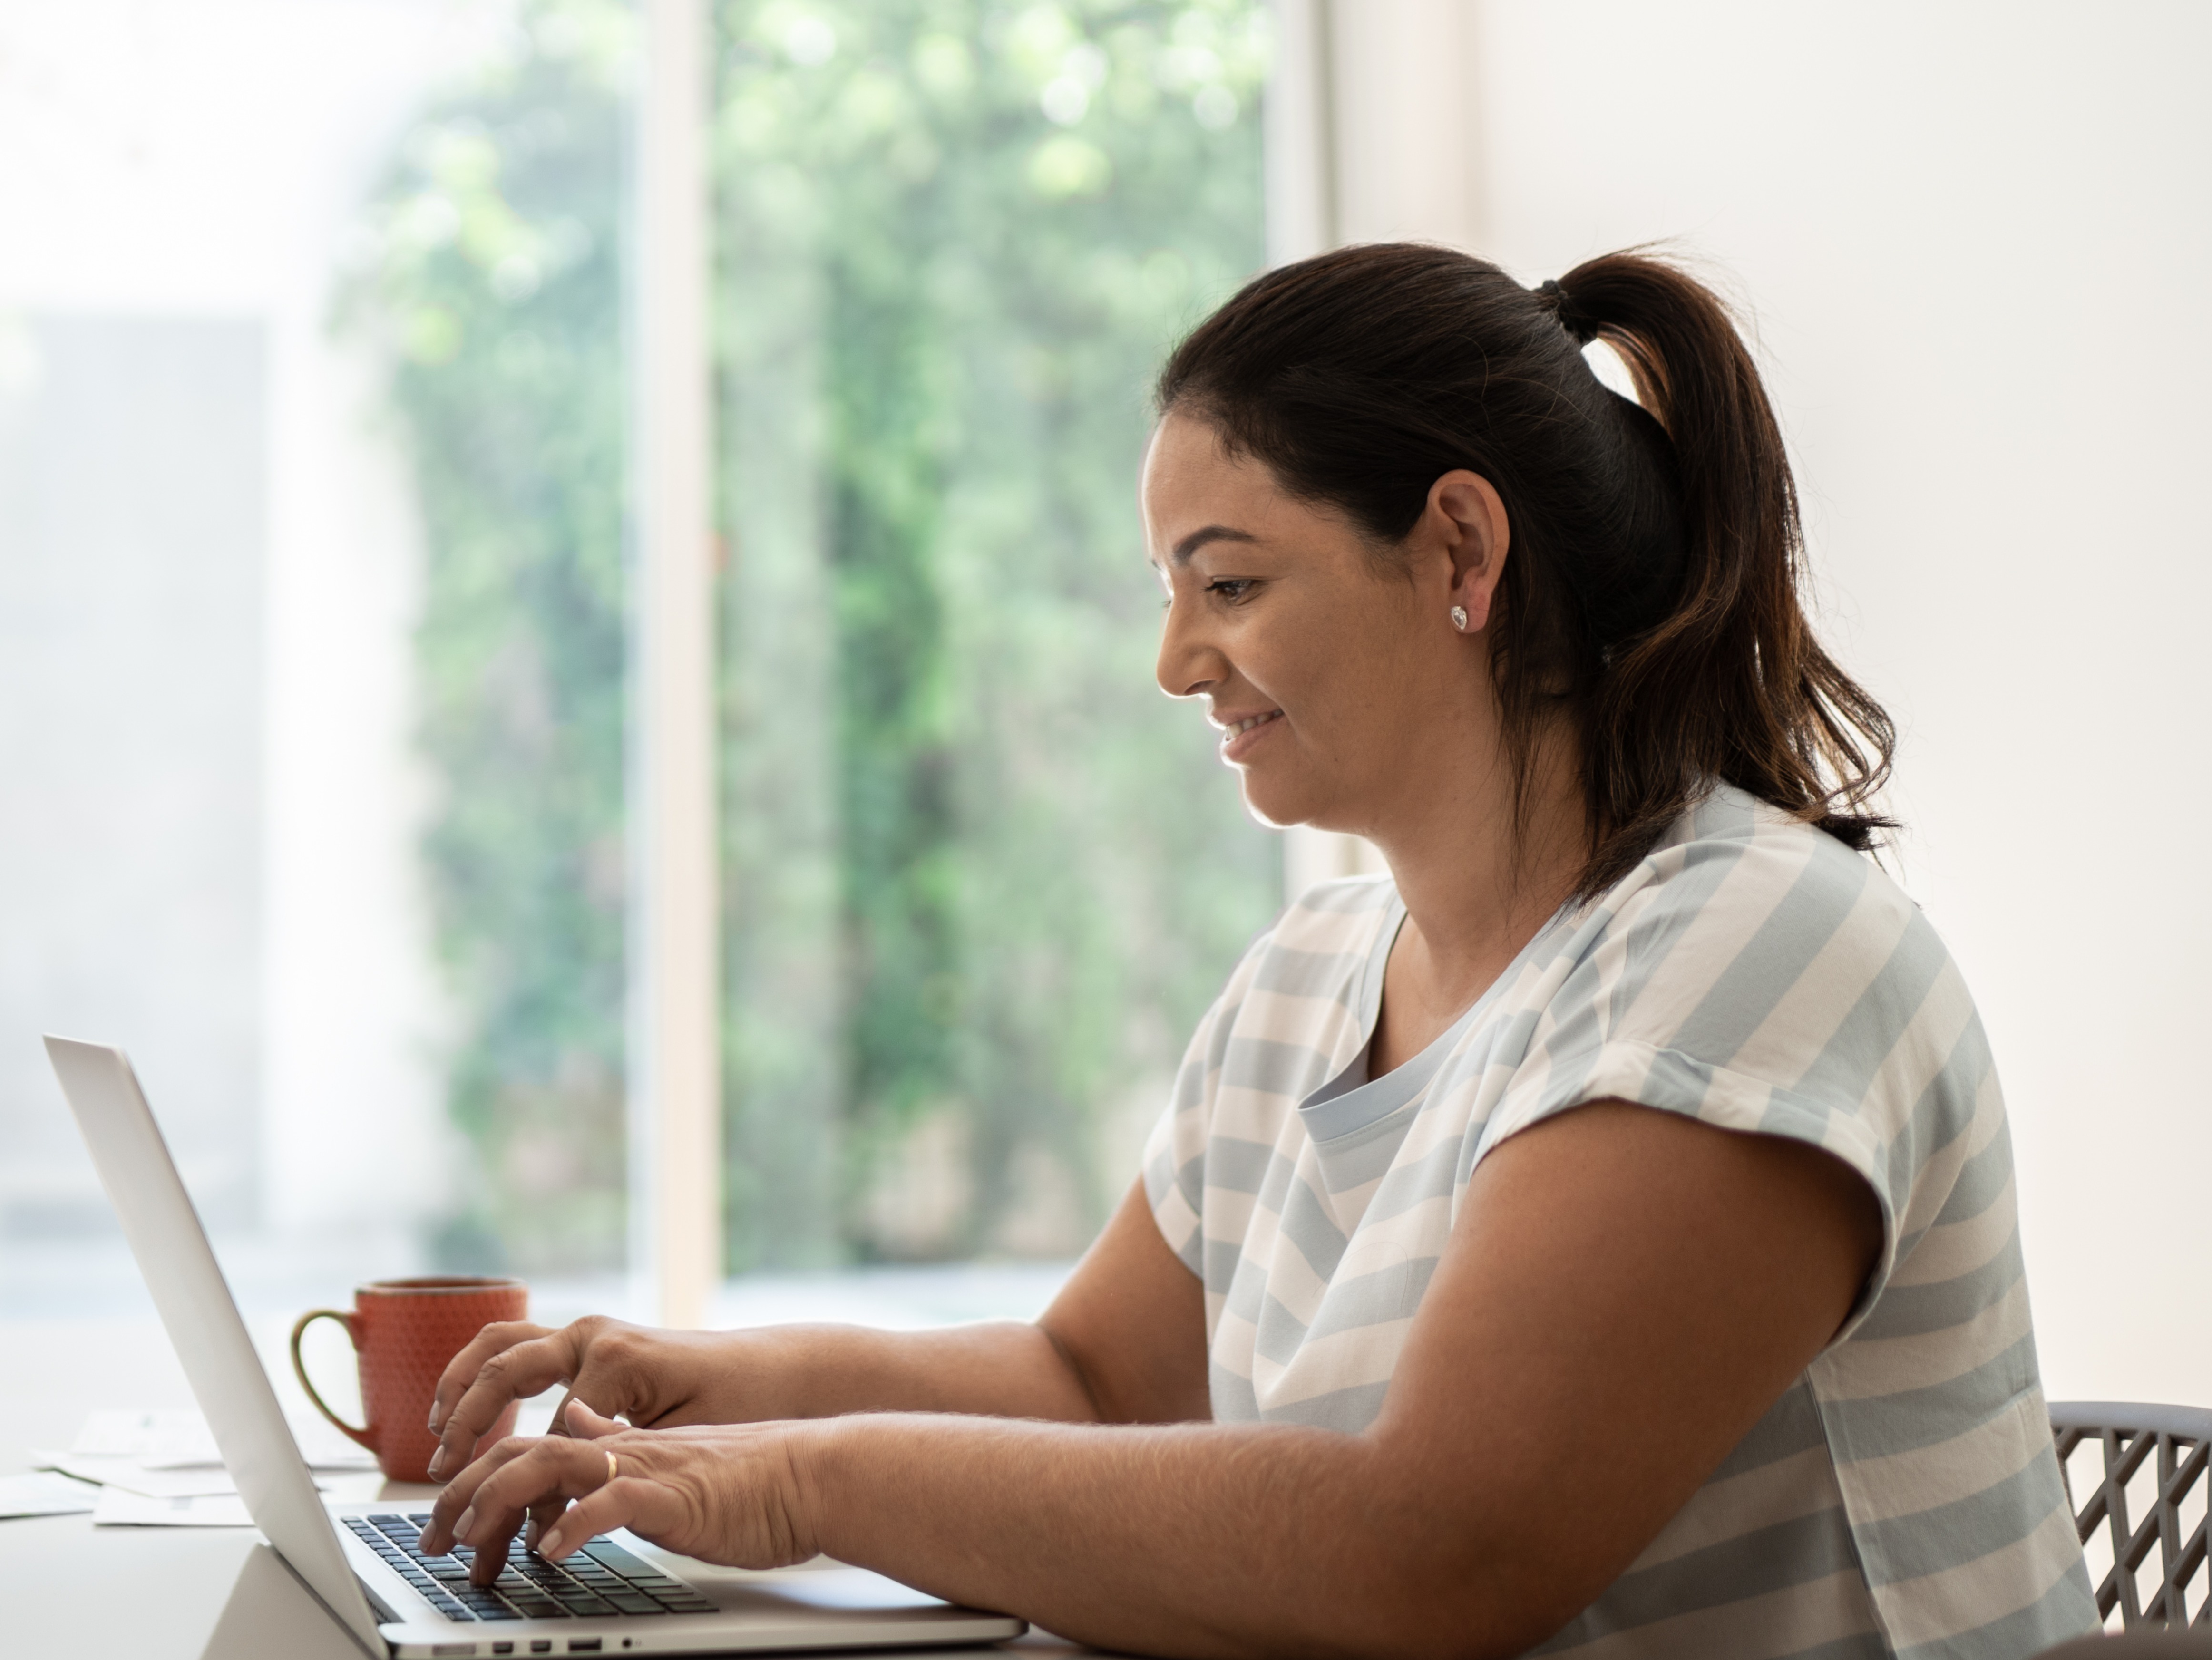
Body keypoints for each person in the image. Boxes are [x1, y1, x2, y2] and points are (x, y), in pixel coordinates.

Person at [415, 243, 2098, 1660]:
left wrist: (795, 1481)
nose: (1174, 661)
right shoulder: (1310, 979)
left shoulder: (1751, 950)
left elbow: (1438, 1547)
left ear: (1461, 548)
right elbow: (1092, 1379)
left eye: (1226, 582)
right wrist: (709, 1384)